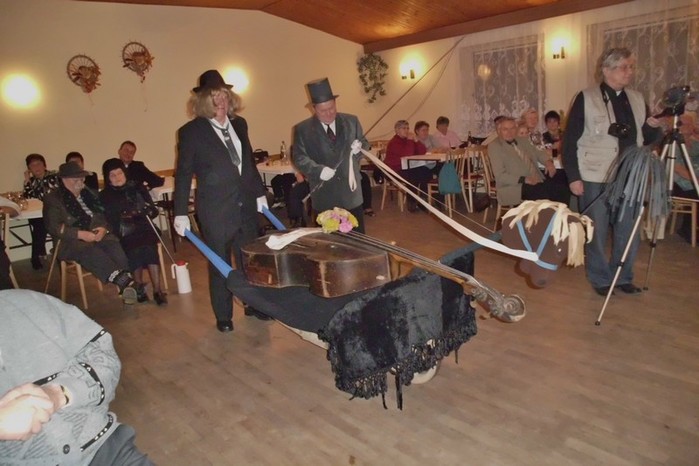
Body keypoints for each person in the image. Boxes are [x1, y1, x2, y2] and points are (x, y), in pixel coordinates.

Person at [0, 289, 153, 464]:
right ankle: (126, 282)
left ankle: (126, 281)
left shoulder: (26, 303)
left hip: (106, 448)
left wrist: (58, 393)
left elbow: (105, 358)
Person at [173, 69, 270, 333]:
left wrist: (259, 193)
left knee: (249, 260)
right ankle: (224, 315)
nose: (221, 102)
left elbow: (248, 163)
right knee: (220, 264)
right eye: (214, 97)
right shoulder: (191, 132)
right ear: (203, 101)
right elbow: (183, 173)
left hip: (245, 205)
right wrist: (180, 212)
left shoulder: (240, 124)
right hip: (216, 210)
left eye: (224, 95)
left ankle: (254, 305)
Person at [562, 47, 662, 296]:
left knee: (628, 229)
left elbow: (646, 138)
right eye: (623, 67)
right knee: (596, 230)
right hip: (595, 175)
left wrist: (653, 126)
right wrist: (574, 177)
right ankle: (600, 279)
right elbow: (570, 139)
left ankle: (623, 276)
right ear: (606, 70)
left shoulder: (637, 98)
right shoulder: (586, 97)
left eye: (631, 67)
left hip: (631, 175)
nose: (629, 71)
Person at [42, 162, 144, 304]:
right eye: (76, 179)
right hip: (70, 242)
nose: (81, 181)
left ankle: (127, 288)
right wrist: (80, 234)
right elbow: (53, 226)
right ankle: (127, 283)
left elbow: (106, 216)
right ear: (64, 179)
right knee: (89, 251)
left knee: (114, 245)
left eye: (82, 177)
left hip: (97, 235)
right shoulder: (53, 199)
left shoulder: (89, 193)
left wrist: (104, 229)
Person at [292, 77, 370, 232]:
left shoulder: (351, 121)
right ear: (314, 108)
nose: (329, 113)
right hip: (324, 196)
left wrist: (360, 148)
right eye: (323, 110)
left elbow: (364, 143)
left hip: (351, 194)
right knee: (329, 243)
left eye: (332, 108)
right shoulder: (303, 129)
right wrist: (318, 170)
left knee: (358, 242)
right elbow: (299, 158)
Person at [100, 158, 167, 305]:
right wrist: (127, 214)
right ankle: (139, 288)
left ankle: (157, 290)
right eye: (113, 175)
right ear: (108, 178)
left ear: (124, 173)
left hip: (144, 226)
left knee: (149, 247)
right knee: (134, 249)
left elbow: (153, 210)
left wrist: (146, 210)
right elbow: (110, 219)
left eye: (119, 173)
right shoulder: (105, 195)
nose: (117, 177)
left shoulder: (137, 187)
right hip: (124, 230)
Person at [488, 116, 568, 207]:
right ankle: (545, 214)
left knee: (563, 185)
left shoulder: (522, 140)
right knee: (544, 192)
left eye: (512, 128)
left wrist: (548, 162)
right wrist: (525, 179)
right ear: (499, 131)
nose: (509, 132)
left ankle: (561, 214)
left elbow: (539, 152)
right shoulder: (495, 146)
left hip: (535, 178)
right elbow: (500, 176)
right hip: (515, 186)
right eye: (505, 129)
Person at [385, 119, 433, 212]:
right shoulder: (394, 142)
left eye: (407, 128)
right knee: (413, 176)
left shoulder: (407, 140)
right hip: (395, 170)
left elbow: (422, 151)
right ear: (397, 130)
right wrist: (411, 141)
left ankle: (423, 199)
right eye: (404, 128)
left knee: (426, 172)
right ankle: (412, 203)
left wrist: (416, 141)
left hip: (408, 167)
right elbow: (407, 155)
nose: (406, 130)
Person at [22, 153, 59, 269]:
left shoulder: (53, 176)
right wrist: (27, 181)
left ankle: (36, 256)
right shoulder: (32, 181)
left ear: (44, 165)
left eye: (38, 164)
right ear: (29, 169)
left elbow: (47, 195)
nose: (36, 167)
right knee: (38, 223)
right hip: (39, 215)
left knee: (40, 225)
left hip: (55, 212)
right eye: (32, 165)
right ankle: (38, 254)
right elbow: (28, 199)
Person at [671, 112, 699, 242]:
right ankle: (688, 231)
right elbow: (677, 168)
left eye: (690, 124)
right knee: (695, 192)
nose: (688, 126)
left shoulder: (695, 145)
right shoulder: (673, 145)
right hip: (679, 185)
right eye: (684, 124)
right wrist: (696, 181)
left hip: (693, 183)